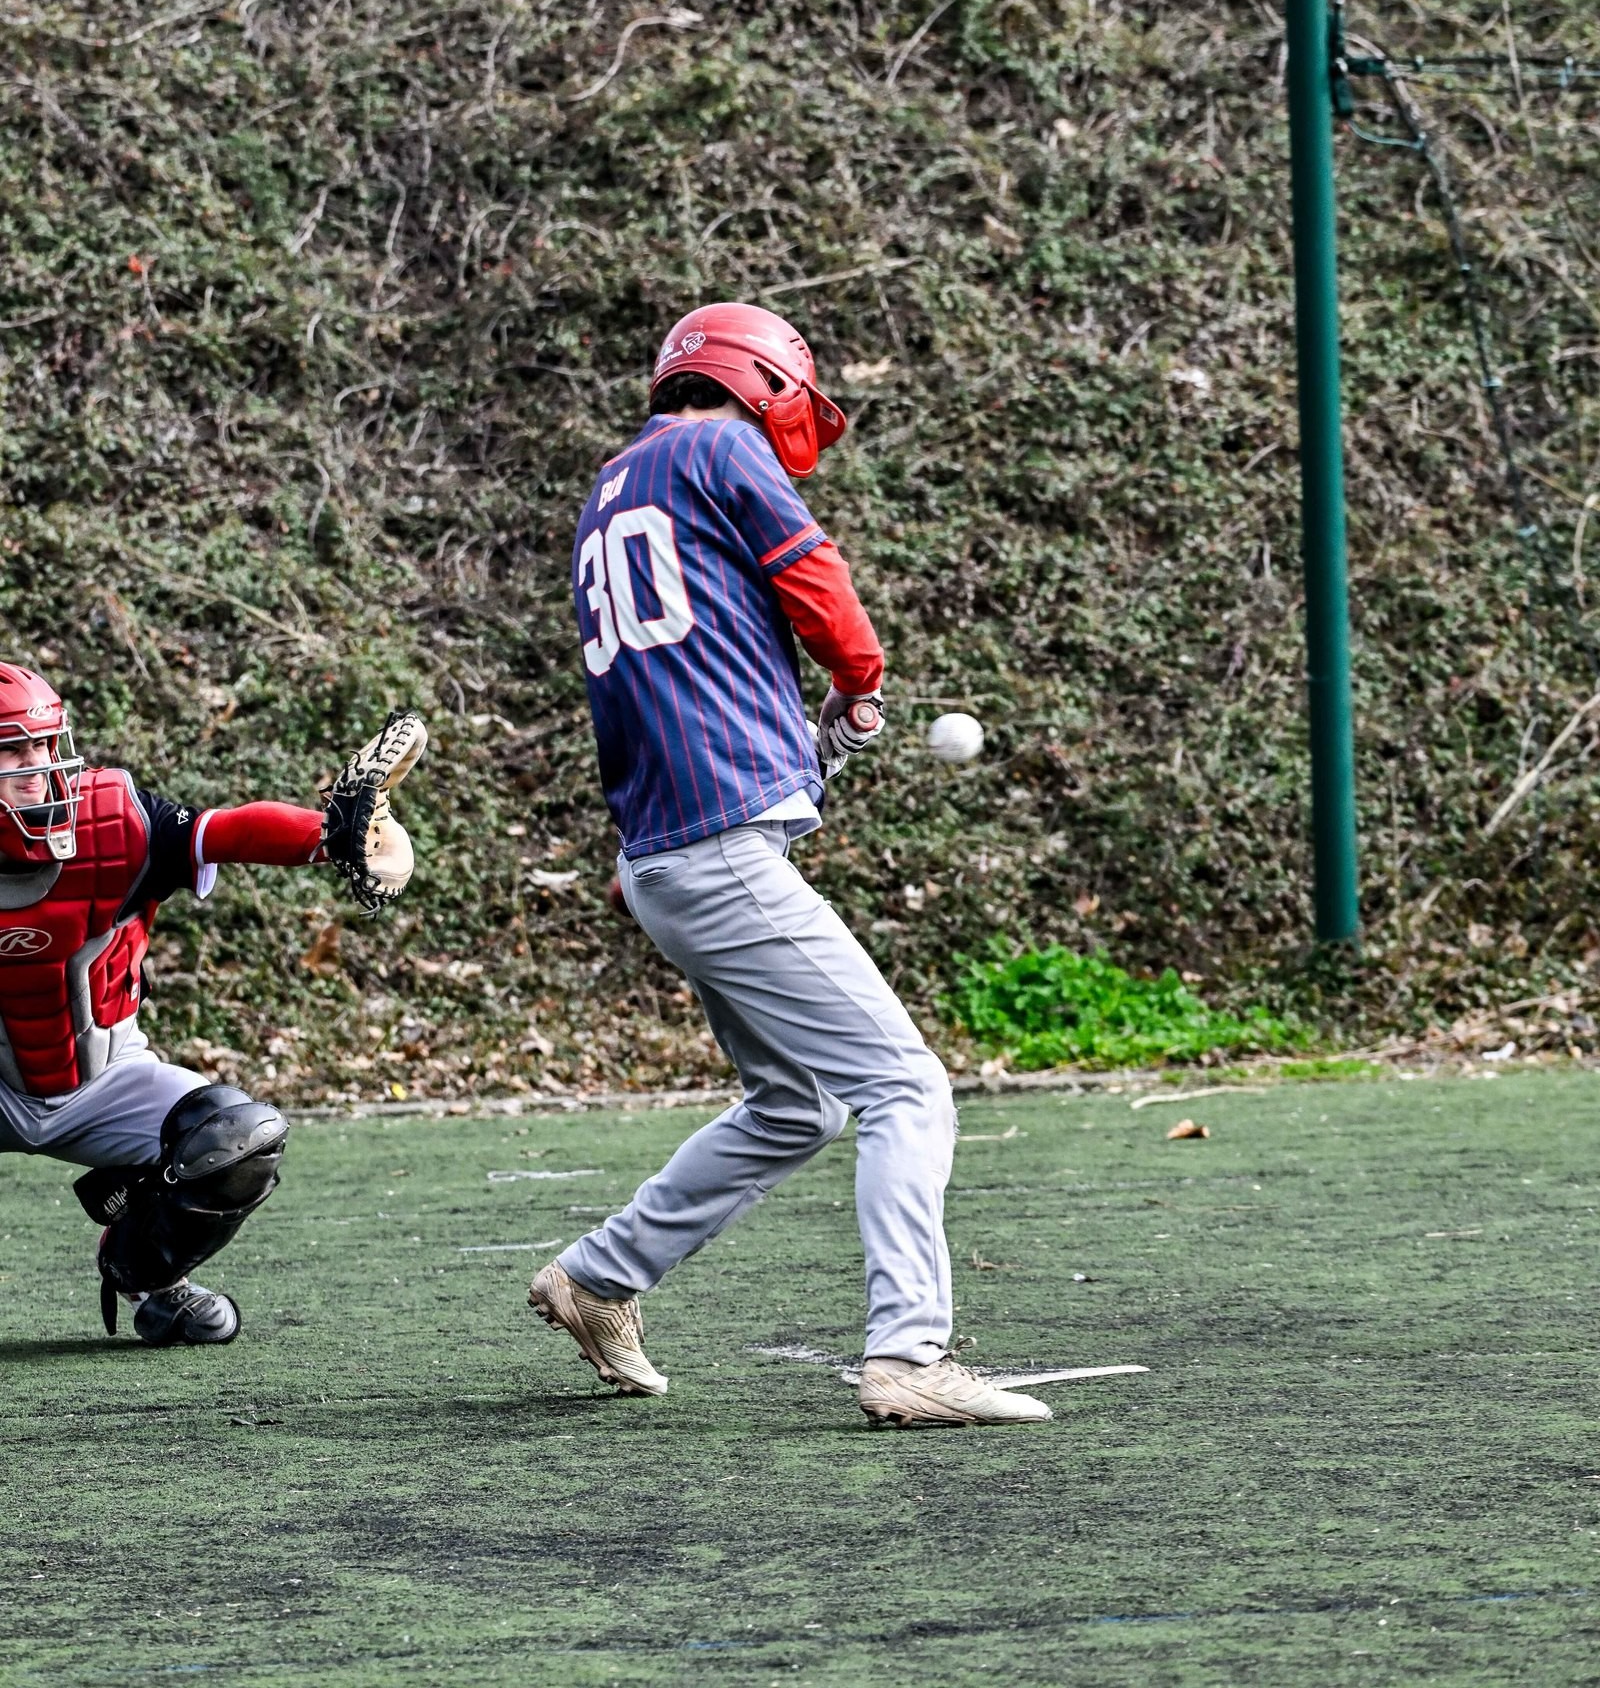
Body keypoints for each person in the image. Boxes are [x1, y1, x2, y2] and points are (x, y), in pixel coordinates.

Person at [529, 302, 1051, 1427]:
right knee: (905, 1088)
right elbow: (820, 587)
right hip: (715, 858)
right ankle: (909, 1356)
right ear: (763, 383)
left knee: (796, 1104)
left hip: (668, 860)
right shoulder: (722, 448)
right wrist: (860, 684)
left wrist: (813, 747)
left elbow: (687, 676)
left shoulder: (615, 483)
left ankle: (599, 1277)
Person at [0, 669, 424, 1346]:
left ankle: (148, 1275)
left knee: (237, 1138)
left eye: (45, 745)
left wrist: (328, 835)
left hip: (102, 1077)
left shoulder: (113, 820)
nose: (39, 769)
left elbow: (224, 832)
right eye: (13, 751)